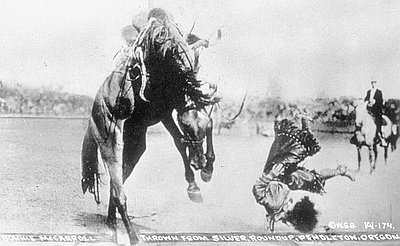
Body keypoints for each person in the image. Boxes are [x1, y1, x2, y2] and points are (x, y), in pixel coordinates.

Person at [252, 118, 355, 233]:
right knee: (314, 179)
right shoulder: (285, 211)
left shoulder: (273, 203)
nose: (289, 204)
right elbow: (295, 222)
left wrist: (270, 175)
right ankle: (341, 171)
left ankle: (304, 124)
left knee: (299, 148)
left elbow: (257, 189)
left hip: (275, 171)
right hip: (287, 181)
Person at [364, 80, 385, 145]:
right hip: (369, 109)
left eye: (375, 83)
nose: (373, 84)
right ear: (371, 84)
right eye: (372, 83)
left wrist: (374, 102)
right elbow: (366, 99)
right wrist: (367, 102)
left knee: (378, 120)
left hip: (376, 110)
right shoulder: (369, 91)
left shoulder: (379, 92)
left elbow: (380, 101)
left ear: (376, 83)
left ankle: (380, 136)